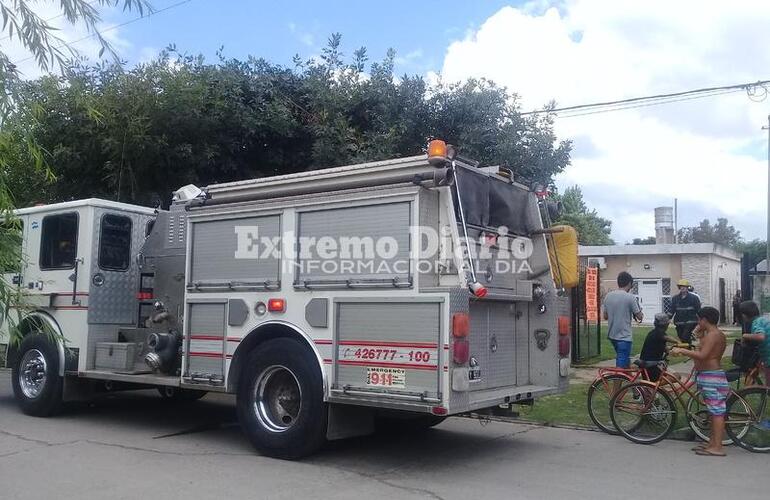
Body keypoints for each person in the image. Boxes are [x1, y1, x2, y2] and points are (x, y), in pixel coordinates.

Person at [671, 306, 727, 457]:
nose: (697, 322)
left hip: (712, 376)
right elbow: (703, 348)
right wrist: (698, 333)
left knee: (717, 413)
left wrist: (681, 350)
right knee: (712, 411)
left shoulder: (713, 335)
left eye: (698, 319)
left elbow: (702, 355)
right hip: (709, 375)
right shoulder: (713, 334)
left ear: (704, 320)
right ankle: (712, 443)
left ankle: (717, 447)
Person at [602, 271, 643, 368]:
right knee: (621, 364)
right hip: (624, 336)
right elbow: (639, 317)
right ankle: (617, 382)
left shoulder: (608, 296)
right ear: (629, 283)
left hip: (612, 335)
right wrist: (639, 309)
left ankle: (628, 381)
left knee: (625, 359)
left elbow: (605, 316)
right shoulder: (630, 297)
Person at [638, 313, 679, 381]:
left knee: (670, 376)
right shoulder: (658, 334)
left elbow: (665, 348)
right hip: (652, 366)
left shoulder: (653, 333)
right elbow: (668, 338)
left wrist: (674, 350)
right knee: (676, 377)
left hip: (650, 365)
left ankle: (654, 387)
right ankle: (654, 386)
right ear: (666, 325)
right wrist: (680, 343)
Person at [738, 300, 770, 386]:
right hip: (766, 357)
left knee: (768, 387)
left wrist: (745, 336)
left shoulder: (756, 323)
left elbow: (760, 337)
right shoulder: (763, 320)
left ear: (744, 315)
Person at [670, 278, 701, 345]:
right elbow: (672, 310)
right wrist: (667, 319)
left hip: (690, 321)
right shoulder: (675, 298)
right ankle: (687, 349)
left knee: (685, 336)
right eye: (681, 286)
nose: (683, 288)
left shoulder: (694, 298)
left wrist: (701, 321)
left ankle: (688, 349)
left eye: (684, 286)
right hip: (679, 322)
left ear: (687, 288)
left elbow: (698, 310)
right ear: (679, 287)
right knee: (681, 337)